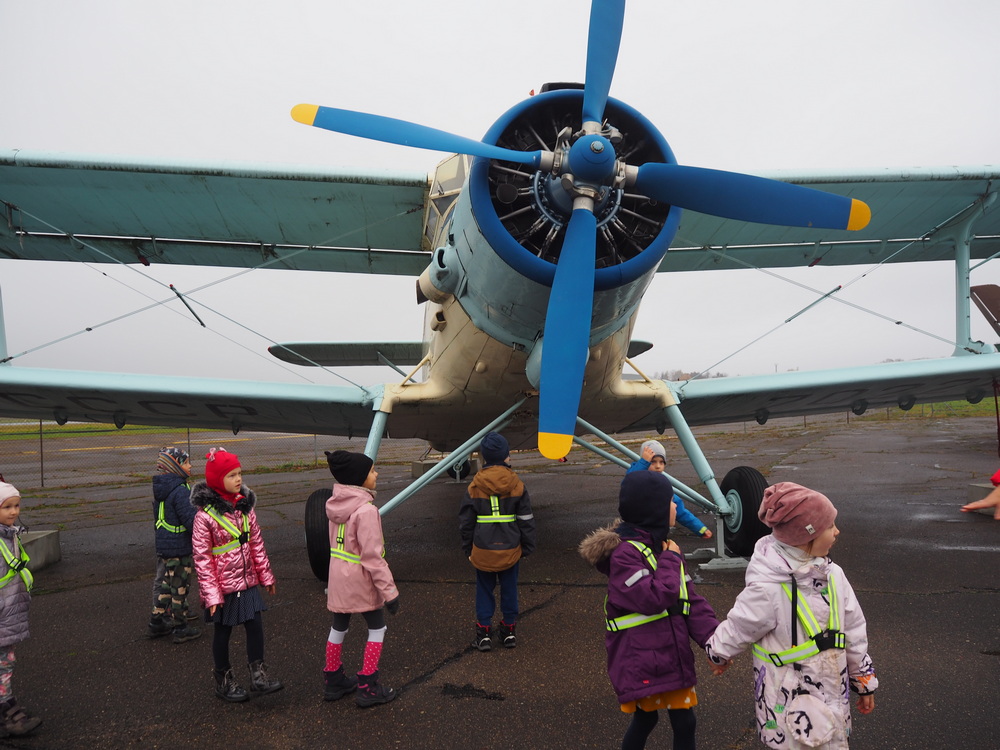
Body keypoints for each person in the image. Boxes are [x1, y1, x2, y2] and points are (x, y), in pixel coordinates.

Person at [705, 482, 878, 749]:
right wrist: (718, 652)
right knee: (797, 741)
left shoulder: (834, 575)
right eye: (830, 526)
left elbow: (853, 630)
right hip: (789, 695)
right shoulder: (768, 586)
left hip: (833, 687)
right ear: (806, 535)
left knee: (831, 738)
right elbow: (741, 624)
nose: (837, 531)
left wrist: (863, 679)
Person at [579, 471, 719, 750]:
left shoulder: (664, 547)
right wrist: (670, 560)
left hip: (671, 654)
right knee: (646, 720)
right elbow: (653, 597)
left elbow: (689, 601)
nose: (675, 507)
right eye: (670, 501)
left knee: (685, 722)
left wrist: (716, 644)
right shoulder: (626, 555)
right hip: (642, 658)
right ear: (653, 509)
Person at [191, 448, 282, 702]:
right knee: (223, 632)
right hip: (223, 588)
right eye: (231, 475)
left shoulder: (245, 508)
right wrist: (211, 595)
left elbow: (256, 544)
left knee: (255, 625)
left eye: (239, 473)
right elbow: (202, 559)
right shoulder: (204, 517)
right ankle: (223, 680)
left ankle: (258, 675)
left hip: (247, 581)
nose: (238, 479)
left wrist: (266, 576)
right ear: (217, 480)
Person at [322, 450, 400, 707]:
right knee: (377, 628)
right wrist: (389, 592)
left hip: (337, 578)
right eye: (372, 471)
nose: (376, 474)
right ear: (360, 478)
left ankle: (333, 679)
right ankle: (368, 685)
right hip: (361, 580)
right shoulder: (366, 511)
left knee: (338, 626)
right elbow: (373, 557)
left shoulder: (334, 506)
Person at [459, 432, 536, 651]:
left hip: (483, 550)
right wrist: (527, 546)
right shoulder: (517, 485)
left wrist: (468, 549)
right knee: (509, 589)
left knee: (484, 589)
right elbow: (526, 519)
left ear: (484, 457)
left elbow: (466, 523)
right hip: (511, 549)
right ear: (506, 456)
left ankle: (483, 633)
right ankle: (509, 630)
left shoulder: (474, 487)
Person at [147, 447, 201, 644]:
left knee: (167, 585)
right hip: (179, 547)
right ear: (176, 466)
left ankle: (156, 621)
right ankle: (180, 627)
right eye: (186, 462)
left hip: (166, 545)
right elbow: (190, 520)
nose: (190, 466)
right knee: (179, 588)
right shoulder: (180, 491)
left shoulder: (162, 489)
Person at [0, 483, 41, 737]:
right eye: (7, 507)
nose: (14, 512)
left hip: (8, 615)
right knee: (3, 665)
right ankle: (7, 711)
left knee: (6, 662)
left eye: (16, 506)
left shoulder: (9, 535)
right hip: (3, 616)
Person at [627, 441, 713, 540]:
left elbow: (680, 511)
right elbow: (630, 481)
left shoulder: (662, 487)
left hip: (655, 533)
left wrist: (700, 529)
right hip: (635, 531)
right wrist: (643, 462)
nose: (658, 466)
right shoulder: (636, 478)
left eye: (661, 462)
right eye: (652, 461)